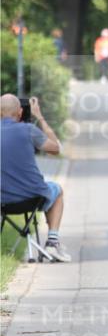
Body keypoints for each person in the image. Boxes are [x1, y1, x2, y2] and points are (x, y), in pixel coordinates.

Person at [0, 94, 70, 262]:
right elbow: (56, 149)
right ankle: (52, 243)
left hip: (2, 200)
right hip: (33, 198)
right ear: (20, 112)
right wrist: (39, 116)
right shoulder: (28, 130)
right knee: (57, 191)